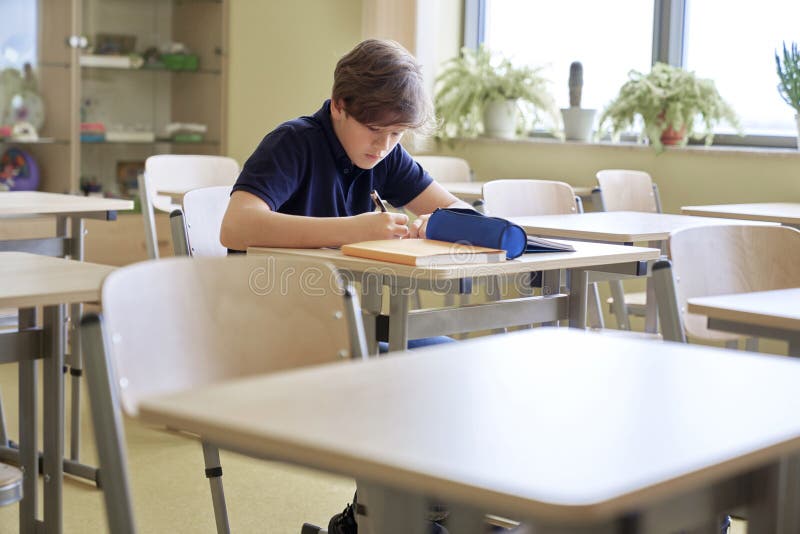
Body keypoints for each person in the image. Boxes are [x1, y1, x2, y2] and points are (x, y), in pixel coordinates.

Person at [220, 39, 471, 533]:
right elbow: (236, 226)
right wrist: (351, 228)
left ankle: (383, 516)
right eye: (376, 131)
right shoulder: (293, 142)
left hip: (351, 327)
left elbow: (456, 212)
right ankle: (385, 517)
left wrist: (436, 225)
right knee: (413, 377)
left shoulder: (383, 154)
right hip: (277, 331)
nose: (384, 147)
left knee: (456, 366)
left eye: (397, 135)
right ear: (339, 105)